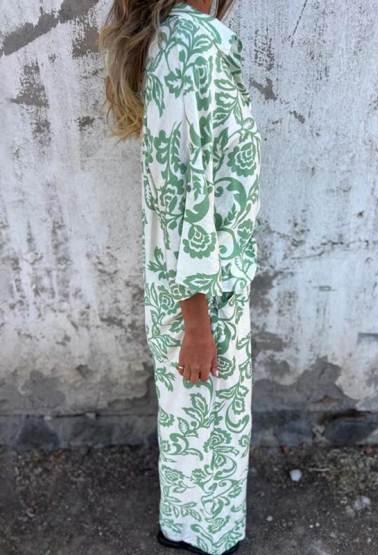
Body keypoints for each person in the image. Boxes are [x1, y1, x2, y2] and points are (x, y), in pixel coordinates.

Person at [99, 1, 262, 553]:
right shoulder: (190, 47)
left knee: (202, 422)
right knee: (205, 423)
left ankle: (195, 528)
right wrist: (196, 324)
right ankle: (201, 535)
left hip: (213, 284)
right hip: (201, 294)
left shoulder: (193, 41)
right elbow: (182, 202)